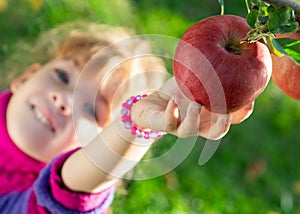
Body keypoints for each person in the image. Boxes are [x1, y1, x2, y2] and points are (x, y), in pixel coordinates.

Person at [0, 22, 254, 213]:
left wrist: (134, 125)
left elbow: (73, 184)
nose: (64, 99)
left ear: (94, 147)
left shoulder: (33, 200)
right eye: (63, 77)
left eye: (90, 111)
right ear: (25, 78)